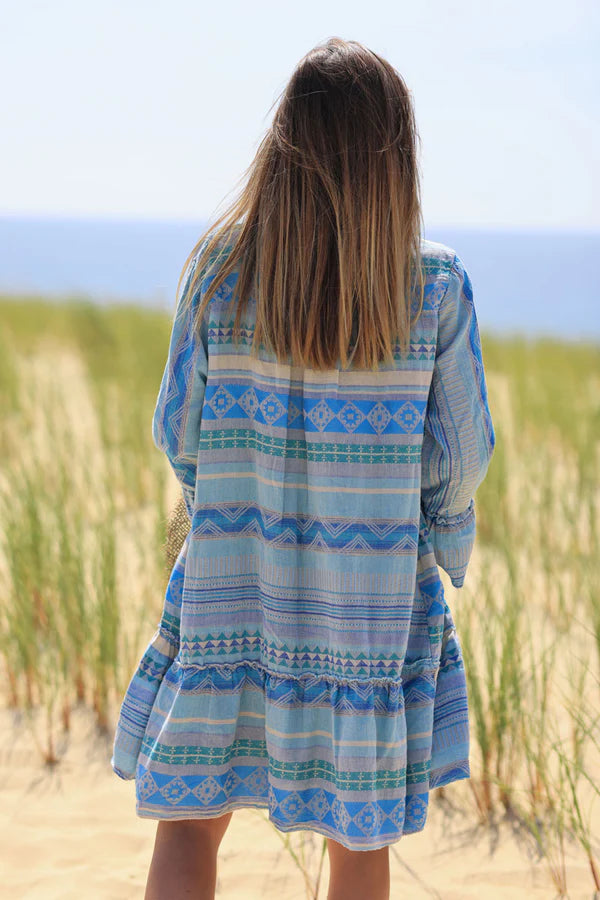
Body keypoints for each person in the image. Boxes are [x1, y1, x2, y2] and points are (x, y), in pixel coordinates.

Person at [111, 36, 495, 900]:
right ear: (396, 162)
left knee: (190, 819)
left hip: (234, 591)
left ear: (282, 150)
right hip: (370, 607)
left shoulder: (219, 273)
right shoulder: (433, 289)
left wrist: (213, 511)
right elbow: (461, 454)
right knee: (359, 840)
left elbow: (178, 428)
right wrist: (442, 536)